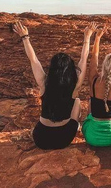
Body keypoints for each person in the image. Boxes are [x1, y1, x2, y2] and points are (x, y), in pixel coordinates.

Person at [12, 20, 96, 150]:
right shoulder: (75, 86)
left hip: (41, 139)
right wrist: (87, 37)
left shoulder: (44, 83)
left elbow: (33, 60)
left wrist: (25, 37)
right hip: (63, 139)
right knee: (77, 101)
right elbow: (83, 58)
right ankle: (77, 127)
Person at [81, 26, 111, 147]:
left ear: (104, 66)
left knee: (90, 105)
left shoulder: (93, 81)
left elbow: (94, 59)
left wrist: (97, 38)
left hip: (92, 136)